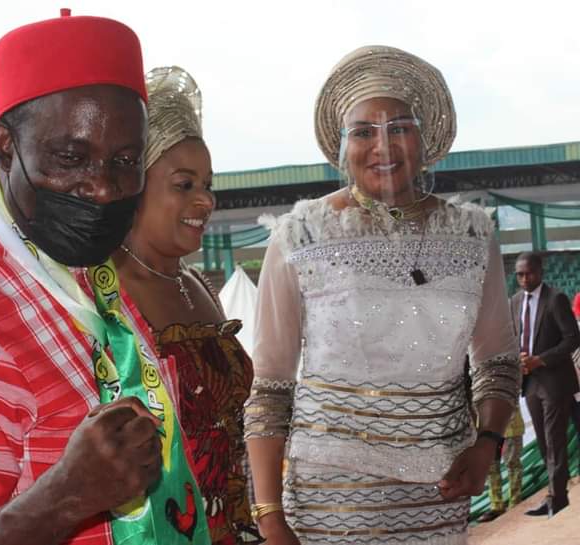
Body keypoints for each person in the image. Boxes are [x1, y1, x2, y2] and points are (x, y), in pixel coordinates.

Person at [0, 11, 209, 545]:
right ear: (6, 144)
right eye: (71, 158)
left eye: (125, 160)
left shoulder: (77, 256)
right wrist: (64, 498)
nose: (101, 189)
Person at [244, 45, 521, 545]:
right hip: (330, 496)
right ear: (341, 147)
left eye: (399, 127)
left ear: (425, 138)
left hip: (439, 492)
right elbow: (271, 386)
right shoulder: (301, 235)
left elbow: (498, 360)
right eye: (363, 131)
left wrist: (487, 443)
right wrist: (269, 516)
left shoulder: (472, 234)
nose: (383, 145)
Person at [113, 66, 260, 545]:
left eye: (207, 183)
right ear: (135, 185)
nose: (205, 199)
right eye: (184, 185)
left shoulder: (197, 283)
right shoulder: (103, 291)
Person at [511, 252, 580, 517]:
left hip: (555, 381)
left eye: (528, 273)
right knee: (543, 440)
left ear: (540, 272)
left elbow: (572, 338)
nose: (524, 278)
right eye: (519, 274)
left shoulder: (556, 299)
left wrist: (540, 360)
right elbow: (512, 337)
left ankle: (556, 497)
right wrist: (518, 357)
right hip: (529, 383)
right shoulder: (514, 301)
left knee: (554, 439)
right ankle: (556, 493)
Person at [475, 407, 524, 522]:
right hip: (487, 431)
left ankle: (515, 501)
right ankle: (496, 506)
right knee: (490, 468)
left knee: (513, 463)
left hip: (511, 426)